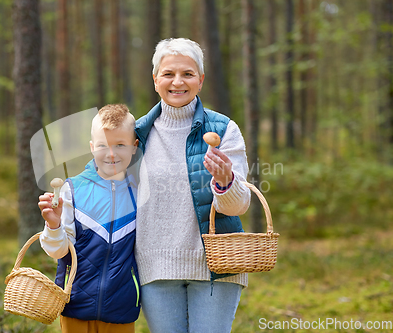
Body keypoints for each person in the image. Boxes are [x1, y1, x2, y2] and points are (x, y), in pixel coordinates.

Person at [134, 38, 251, 333]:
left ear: (200, 79)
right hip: (155, 266)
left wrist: (226, 181)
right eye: (168, 74)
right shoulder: (136, 134)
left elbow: (239, 205)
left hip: (215, 265)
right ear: (155, 79)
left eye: (187, 74)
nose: (178, 82)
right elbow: (105, 183)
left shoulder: (223, 129)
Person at [38, 104, 140, 333]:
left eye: (120, 145)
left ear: (134, 147)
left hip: (121, 311)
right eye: (103, 145)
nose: (111, 154)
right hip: (75, 308)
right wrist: (53, 225)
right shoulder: (71, 190)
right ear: (92, 147)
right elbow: (58, 251)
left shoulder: (139, 193)